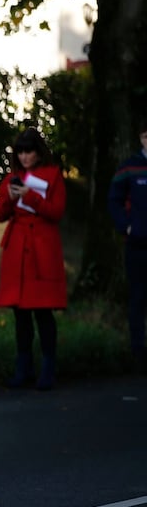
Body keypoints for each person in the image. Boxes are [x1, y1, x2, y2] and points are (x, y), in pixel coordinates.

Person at [0, 127, 67, 390]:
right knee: (20, 315)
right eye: (21, 152)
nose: (25, 157)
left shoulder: (53, 176)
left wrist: (30, 196)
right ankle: (23, 367)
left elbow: (56, 211)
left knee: (43, 313)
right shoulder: (11, 179)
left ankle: (48, 368)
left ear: (39, 153)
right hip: (17, 250)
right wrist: (11, 199)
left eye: (29, 152)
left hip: (41, 249)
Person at [107, 120, 147, 373]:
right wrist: (127, 227)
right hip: (138, 245)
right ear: (141, 138)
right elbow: (114, 200)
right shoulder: (129, 167)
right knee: (139, 298)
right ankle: (139, 355)